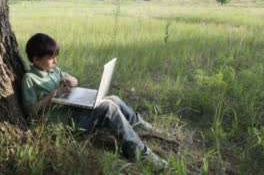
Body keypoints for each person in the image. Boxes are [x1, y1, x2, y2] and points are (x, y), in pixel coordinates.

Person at [21, 33, 168, 169]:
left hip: (76, 111)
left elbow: (75, 80)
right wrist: (51, 96)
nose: (55, 61)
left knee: (112, 98)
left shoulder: (54, 71)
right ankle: (140, 153)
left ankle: (140, 125)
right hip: (66, 124)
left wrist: (71, 81)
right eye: (51, 58)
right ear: (36, 59)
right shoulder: (30, 79)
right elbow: (29, 110)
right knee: (107, 107)